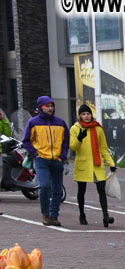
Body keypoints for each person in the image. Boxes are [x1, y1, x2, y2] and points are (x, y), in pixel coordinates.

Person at [22, 96, 70, 226]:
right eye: (47, 106)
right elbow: (26, 141)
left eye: (51, 106)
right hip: (41, 159)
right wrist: (34, 154)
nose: (50, 108)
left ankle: (54, 216)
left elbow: (66, 140)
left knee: (57, 189)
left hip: (57, 160)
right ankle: (45, 214)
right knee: (44, 186)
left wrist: (62, 156)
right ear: (40, 107)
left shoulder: (60, 122)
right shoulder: (33, 122)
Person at [68, 105, 116, 228]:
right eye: (83, 114)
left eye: (88, 114)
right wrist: (79, 138)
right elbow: (73, 147)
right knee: (81, 191)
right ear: (80, 116)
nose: (86, 116)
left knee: (101, 190)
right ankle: (82, 214)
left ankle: (106, 216)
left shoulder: (98, 128)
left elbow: (103, 148)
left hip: (97, 164)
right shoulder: (75, 128)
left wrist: (111, 163)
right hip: (83, 164)